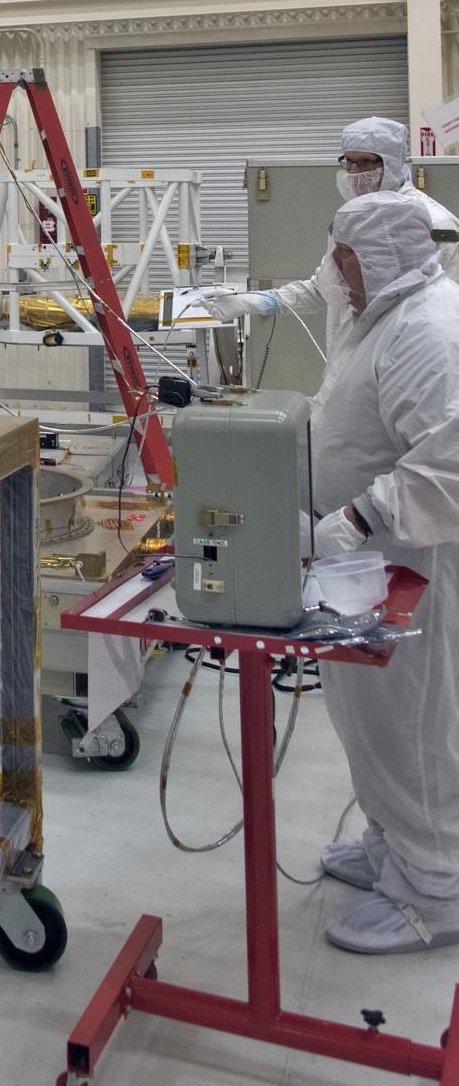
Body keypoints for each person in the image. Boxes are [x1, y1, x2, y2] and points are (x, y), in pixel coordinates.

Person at [307, 190, 459, 954]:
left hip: (411, 561)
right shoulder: (382, 315)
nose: (334, 272)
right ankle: (391, 844)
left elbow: (448, 460)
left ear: (380, 255)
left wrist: (359, 515)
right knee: (366, 716)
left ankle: (435, 888)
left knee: (411, 723)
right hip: (365, 564)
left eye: (345, 258)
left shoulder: (428, 329)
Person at [206, 116, 459, 383]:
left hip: (409, 365)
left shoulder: (433, 222)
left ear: (393, 163)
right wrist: (253, 301)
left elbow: (444, 305)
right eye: (348, 161)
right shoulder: (357, 216)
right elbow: (327, 287)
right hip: (351, 361)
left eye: (365, 162)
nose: (354, 172)